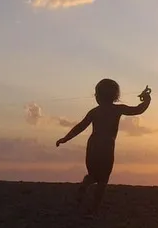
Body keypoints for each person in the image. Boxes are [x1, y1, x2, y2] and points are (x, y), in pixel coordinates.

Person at [55, 78, 152, 217]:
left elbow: (80, 127)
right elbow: (138, 110)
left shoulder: (94, 112)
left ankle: (84, 186)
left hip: (93, 145)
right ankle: (94, 209)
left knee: (92, 175)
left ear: (97, 96)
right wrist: (147, 99)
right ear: (116, 96)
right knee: (103, 179)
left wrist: (65, 138)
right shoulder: (118, 109)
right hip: (107, 146)